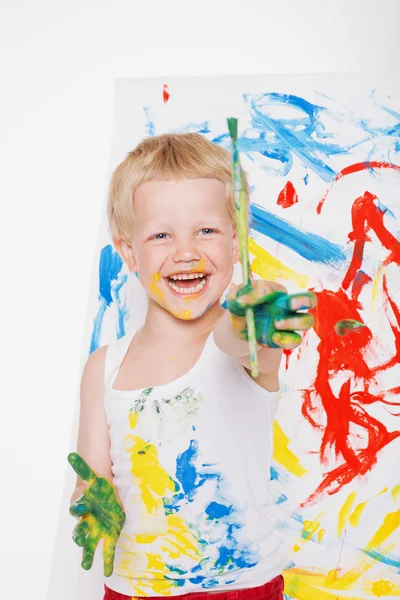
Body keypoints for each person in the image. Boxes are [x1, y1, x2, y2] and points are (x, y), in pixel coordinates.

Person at [68, 132, 316, 600]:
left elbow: (238, 337)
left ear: (236, 240)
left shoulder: (242, 345)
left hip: (241, 588)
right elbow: (92, 476)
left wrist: (254, 313)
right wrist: (92, 506)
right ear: (128, 252)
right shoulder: (104, 367)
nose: (186, 251)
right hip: (133, 590)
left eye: (206, 230)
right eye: (161, 235)